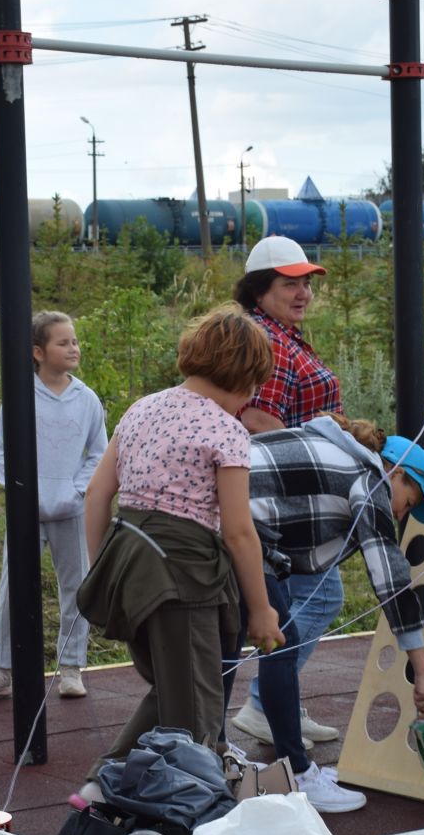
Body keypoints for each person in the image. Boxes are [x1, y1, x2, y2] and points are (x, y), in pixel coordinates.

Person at [77, 305, 283, 774]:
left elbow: (96, 494)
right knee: (197, 721)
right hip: (182, 576)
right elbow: (237, 530)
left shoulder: (142, 407)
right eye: (254, 387)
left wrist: (100, 572)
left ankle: (99, 794)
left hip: (126, 562)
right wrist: (261, 609)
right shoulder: (226, 430)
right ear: (245, 376)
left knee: (173, 695)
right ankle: (106, 798)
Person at [232, 413, 424, 812]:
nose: (401, 514)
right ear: (395, 473)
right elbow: (390, 578)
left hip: (211, 516)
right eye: (409, 502)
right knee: (282, 640)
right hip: (237, 524)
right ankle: (298, 775)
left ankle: (211, 753)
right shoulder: (369, 480)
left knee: (226, 641)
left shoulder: (339, 457)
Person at [231, 235, 346, 750]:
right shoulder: (272, 342)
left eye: (306, 283)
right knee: (320, 596)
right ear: (261, 290)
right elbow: (257, 417)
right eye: (288, 283)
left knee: (304, 597)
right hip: (291, 492)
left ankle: (273, 700)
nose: (302, 293)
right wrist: (302, 467)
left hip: (294, 488)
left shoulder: (282, 334)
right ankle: (264, 702)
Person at [0, 311, 107, 702]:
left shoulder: (86, 400)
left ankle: (71, 667)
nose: (73, 348)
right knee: (13, 586)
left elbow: (99, 452)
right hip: (26, 511)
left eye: (75, 341)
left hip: (71, 511)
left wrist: (77, 491)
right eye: (63, 343)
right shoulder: (20, 396)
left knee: (77, 586)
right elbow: (3, 451)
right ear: (37, 351)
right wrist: (21, 493)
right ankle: (2, 668)